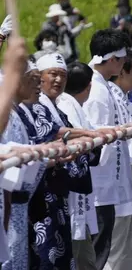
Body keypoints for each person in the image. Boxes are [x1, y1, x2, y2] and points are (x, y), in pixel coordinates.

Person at [83, 29, 132, 270]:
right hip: (99, 185)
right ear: (112, 59)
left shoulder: (102, 85)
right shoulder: (97, 88)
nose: (125, 64)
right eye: (123, 60)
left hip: (105, 182)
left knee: (102, 247)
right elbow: (97, 137)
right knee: (98, 249)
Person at [55, 61, 102, 270]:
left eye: (61, 75)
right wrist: (88, 136)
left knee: (84, 254)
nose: (57, 80)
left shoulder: (65, 103)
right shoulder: (64, 103)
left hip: (76, 189)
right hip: (63, 193)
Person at [105, 50, 132, 270]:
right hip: (115, 182)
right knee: (117, 247)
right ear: (122, 71)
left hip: (128, 179)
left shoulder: (120, 95)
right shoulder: (107, 94)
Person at [2, 61, 46, 270]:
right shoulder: (8, 118)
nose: (36, 85)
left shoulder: (16, 114)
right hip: (10, 204)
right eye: (32, 79)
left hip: (19, 205)